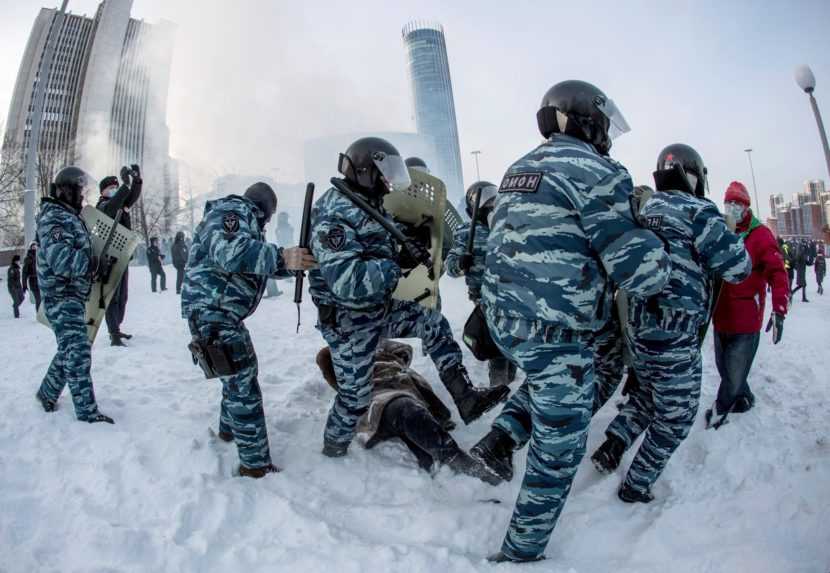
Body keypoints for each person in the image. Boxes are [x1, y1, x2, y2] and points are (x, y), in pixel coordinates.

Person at [470, 80, 672, 563]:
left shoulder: (519, 168)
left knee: (593, 360)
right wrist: (657, 243)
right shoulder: (598, 172)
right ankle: (521, 552)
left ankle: (500, 438)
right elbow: (639, 272)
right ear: (590, 121)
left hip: (503, 323)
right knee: (559, 449)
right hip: (553, 331)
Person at [308, 136, 509, 459]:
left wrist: (406, 246)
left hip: (376, 308)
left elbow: (380, 246)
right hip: (349, 321)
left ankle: (465, 396)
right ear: (365, 170)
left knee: (431, 320)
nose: (390, 182)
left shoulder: (369, 204)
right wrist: (394, 265)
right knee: (355, 398)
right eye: (385, 173)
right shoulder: (335, 216)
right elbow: (347, 282)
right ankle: (334, 448)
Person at [591, 144, 752, 504]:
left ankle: (613, 443)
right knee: (677, 416)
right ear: (695, 174)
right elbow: (739, 268)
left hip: (638, 329)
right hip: (676, 333)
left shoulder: (645, 209)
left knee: (648, 393)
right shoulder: (699, 211)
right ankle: (635, 486)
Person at [181, 182, 315, 478]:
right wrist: (282, 257)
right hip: (213, 312)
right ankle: (255, 465)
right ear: (265, 208)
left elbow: (250, 262)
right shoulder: (233, 211)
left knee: (236, 374)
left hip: (217, 313)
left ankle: (228, 431)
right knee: (243, 384)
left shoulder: (240, 218)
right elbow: (230, 253)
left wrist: (292, 263)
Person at [316, 340, 499, 484]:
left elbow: (405, 350)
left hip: (406, 391)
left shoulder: (378, 343)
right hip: (377, 396)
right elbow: (333, 376)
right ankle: (459, 462)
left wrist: (381, 349)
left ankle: (454, 483)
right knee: (405, 410)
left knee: (417, 428)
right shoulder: (335, 353)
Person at [704, 181, 788, 427]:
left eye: (737, 203)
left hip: (746, 318)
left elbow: (778, 273)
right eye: (728, 202)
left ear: (746, 206)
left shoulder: (760, 235)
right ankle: (744, 397)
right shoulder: (722, 231)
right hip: (721, 316)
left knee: (733, 372)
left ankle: (720, 411)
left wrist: (779, 310)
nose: (732, 207)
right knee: (725, 368)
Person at [34, 166, 113, 424]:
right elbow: (61, 260)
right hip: (61, 297)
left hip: (71, 296)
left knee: (69, 349)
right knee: (77, 352)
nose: (82, 197)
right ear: (66, 191)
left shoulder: (68, 216)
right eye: (80, 191)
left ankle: (46, 393)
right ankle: (87, 414)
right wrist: (92, 264)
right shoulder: (54, 218)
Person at [445, 181, 517, 386]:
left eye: (494, 198)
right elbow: (450, 267)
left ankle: (507, 382)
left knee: (509, 345)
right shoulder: (465, 232)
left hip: (510, 295)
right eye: (486, 200)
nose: (491, 204)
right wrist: (460, 263)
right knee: (498, 349)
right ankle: (499, 388)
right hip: (484, 298)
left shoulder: (507, 226)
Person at [96, 164, 143, 346]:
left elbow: (130, 198)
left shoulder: (119, 204)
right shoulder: (102, 205)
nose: (114, 190)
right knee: (112, 297)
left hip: (122, 257)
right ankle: (113, 333)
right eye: (111, 188)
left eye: (116, 187)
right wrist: (125, 184)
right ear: (103, 191)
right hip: (108, 259)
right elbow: (111, 207)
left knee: (122, 297)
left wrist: (136, 181)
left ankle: (116, 328)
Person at [21, 242, 40, 310]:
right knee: (38, 299)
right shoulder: (28, 259)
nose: (35, 248)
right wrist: (24, 285)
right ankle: (39, 314)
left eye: (36, 246)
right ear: (31, 248)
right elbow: (24, 273)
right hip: (33, 281)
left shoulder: (41, 256)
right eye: (33, 247)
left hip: (42, 281)